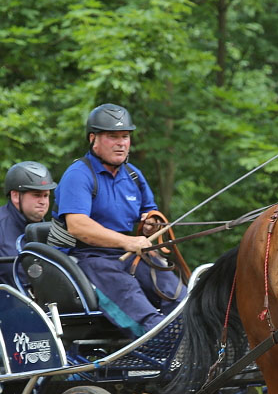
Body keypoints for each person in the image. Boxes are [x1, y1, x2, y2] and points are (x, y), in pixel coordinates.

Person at [53, 103, 185, 336]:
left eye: (125, 136)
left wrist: (150, 224)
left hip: (131, 256)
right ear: (93, 139)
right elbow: (78, 226)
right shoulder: (78, 174)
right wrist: (127, 242)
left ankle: (189, 343)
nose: (121, 142)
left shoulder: (133, 175)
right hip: (88, 258)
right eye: (113, 137)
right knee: (144, 314)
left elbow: (148, 214)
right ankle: (164, 348)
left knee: (178, 297)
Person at [0, 161, 57, 287]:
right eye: (37, 195)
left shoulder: (52, 231)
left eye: (46, 195)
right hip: (0, 304)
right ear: (15, 196)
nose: (43, 202)